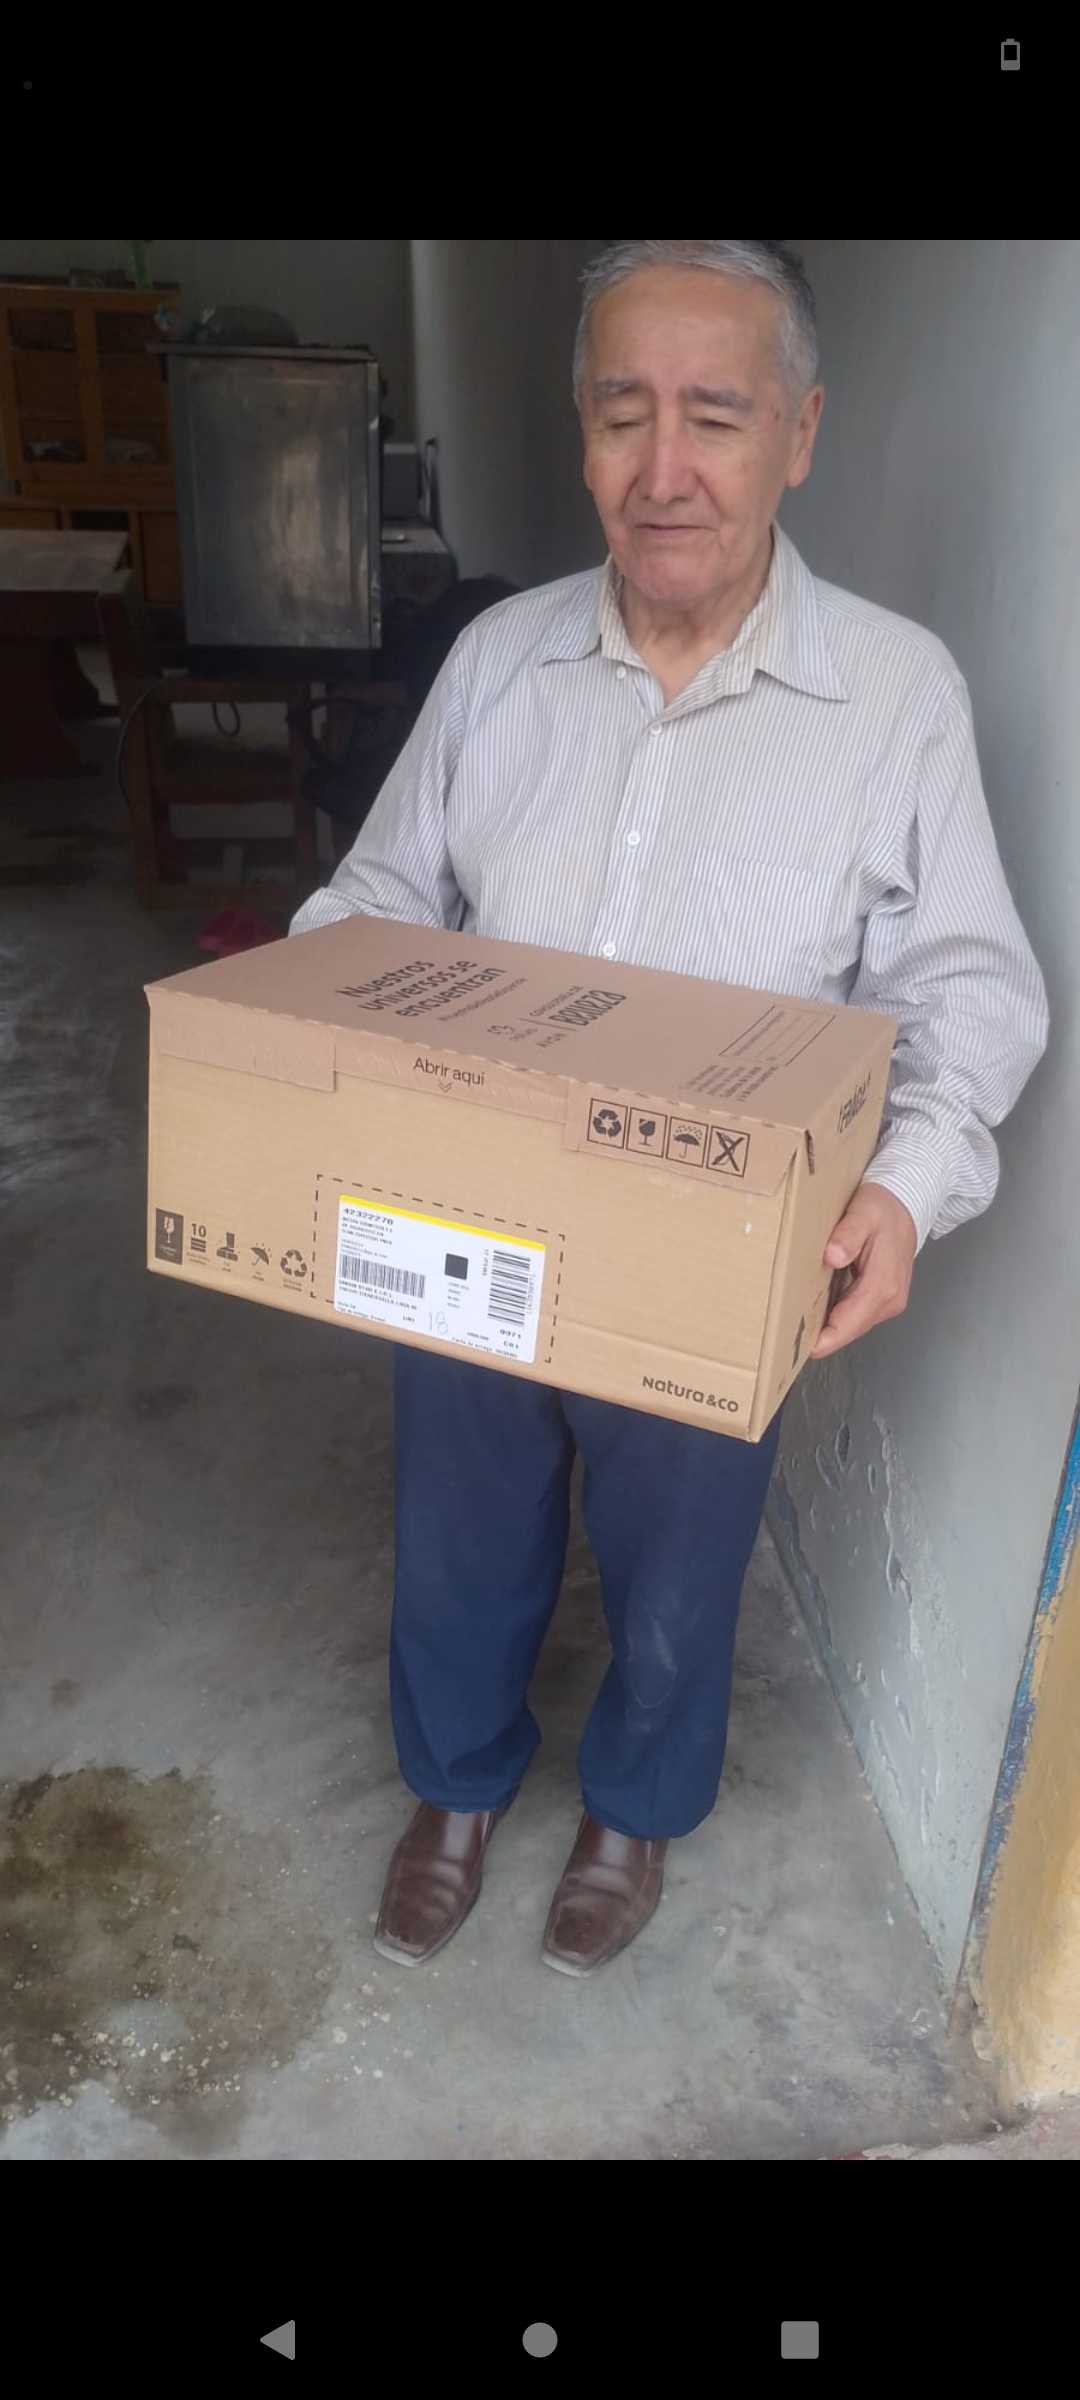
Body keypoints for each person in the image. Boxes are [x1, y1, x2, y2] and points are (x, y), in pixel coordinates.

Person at [290, 240, 1048, 1979]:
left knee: (682, 1556)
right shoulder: (500, 662)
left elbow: (972, 986)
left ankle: (632, 1810)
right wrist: (322, 1035)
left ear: (801, 433)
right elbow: (375, 896)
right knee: (461, 1527)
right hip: (471, 1199)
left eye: (716, 415)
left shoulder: (896, 698)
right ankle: (457, 1785)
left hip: (716, 1237)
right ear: (579, 431)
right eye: (622, 412)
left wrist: (906, 1190)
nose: (664, 467)